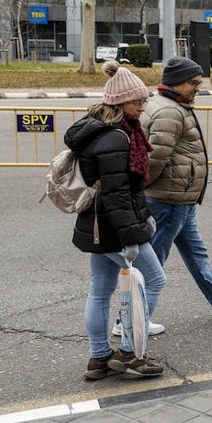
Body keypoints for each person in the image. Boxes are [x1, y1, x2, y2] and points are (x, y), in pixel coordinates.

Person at [66, 61, 167, 381]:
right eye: (137, 101)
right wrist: (132, 237)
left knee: (100, 289)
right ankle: (128, 353)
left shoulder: (96, 127)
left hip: (96, 224)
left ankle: (99, 359)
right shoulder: (116, 138)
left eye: (144, 100)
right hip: (114, 226)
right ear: (118, 103)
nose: (143, 105)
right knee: (154, 280)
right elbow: (117, 195)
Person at [141, 56, 212, 323]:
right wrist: (143, 189)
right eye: (193, 83)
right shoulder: (169, 111)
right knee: (154, 262)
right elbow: (155, 159)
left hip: (181, 197)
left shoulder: (170, 104)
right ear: (176, 82)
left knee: (196, 253)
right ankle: (129, 322)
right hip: (170, 199)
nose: (198, 88)